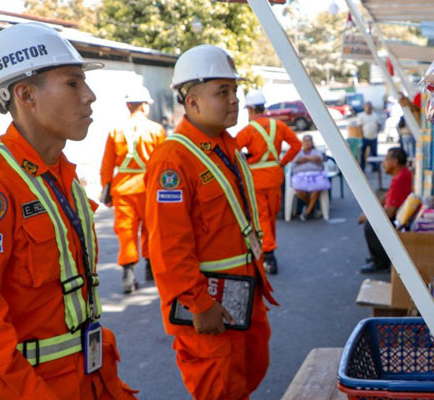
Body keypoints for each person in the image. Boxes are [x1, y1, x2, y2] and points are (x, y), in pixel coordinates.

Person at [0, 22, 137, 399]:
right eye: (73, 83)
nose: (89, 96)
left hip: (88, 380)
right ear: (25, 94)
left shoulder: (62, 178)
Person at [145, 44, 277, 399]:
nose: (234, 100)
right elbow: (168, 245)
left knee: (245, 377)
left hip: (241, 294)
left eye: (234, 91)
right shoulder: (173, 160)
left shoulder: (225, 146)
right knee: (220, 388)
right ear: (192, 101)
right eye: (223, 92)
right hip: (209, 302)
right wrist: (198, 303)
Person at [100, 85, 166, 293]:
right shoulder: (156, 130)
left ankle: (128, 276)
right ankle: (150, 268)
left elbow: (107, 165)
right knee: (152, 229)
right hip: (150, 187)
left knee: (126, 231)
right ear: (145, 106)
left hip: (123, 189)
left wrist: (106, 190)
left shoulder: (115, 131)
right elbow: (164, 163)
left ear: (129, 105)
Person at [236, 89, 301, 274]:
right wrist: (282, 161)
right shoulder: (279, 126)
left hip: (256, 179)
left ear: (249, 110)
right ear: (263, 107)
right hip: (275, 175)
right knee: (271, 216)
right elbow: (296, 145)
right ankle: (268, 248)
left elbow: (232, 152)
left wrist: (247, 160)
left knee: (261, 217)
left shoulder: (248, 130)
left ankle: (269, 254)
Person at [358, 147, 412, 273]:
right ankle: (377, 256)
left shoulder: (400, 178)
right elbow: (389, 196)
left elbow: (390, 211)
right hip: (399, 214)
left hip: (399, 219)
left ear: (395, 162)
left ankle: (381, 261)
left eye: (386, 160)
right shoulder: (401, 174)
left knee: (371, 226)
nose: (383, 163)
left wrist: (368, 215)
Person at [290, 134, 331, 220]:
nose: (307, 143)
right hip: (300, 177)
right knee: (298, 191)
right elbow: (296, 161)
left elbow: (318, 158)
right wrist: (310, 159)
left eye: (309, 140)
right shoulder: (298, 153)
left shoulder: (317, 151)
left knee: (316, 190)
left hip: (315, 176)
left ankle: (307, 212)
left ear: (312, 142)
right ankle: (313, 208)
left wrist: (305, 158)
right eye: (305, 141)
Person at [358, 101, 379, 171]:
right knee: (363, 154)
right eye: (367, 107)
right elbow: (359, 126)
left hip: (374, 137)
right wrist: (361, 136)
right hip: (365, 137)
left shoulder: (375, 115)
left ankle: (375, 167)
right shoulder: (361, 116)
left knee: (374, 153)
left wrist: (377, 132)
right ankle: (362, 168)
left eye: (370, 107)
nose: (368, 108)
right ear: (364, 108)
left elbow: (379, 124)